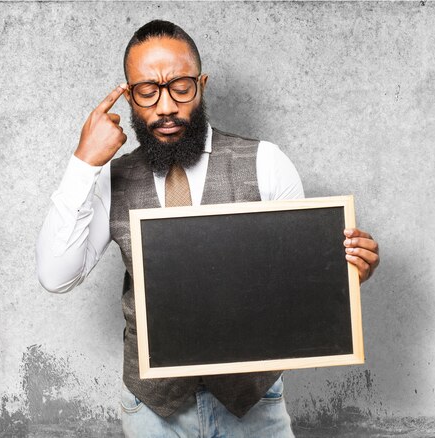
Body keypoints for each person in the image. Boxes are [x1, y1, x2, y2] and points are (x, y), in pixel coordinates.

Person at [36, 20, 380, 438]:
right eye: (147, 91)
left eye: (180, 86)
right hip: (152, 409)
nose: (165, 106)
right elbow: (56, 277)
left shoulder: (265, 162)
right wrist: (83, 162)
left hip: (254, 404)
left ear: (202, 84)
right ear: (128, 97)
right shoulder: (110, 179)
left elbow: (296, 281)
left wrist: (341, 274)